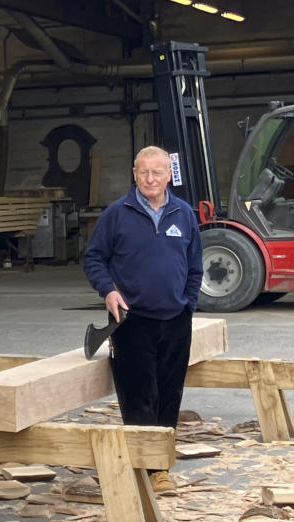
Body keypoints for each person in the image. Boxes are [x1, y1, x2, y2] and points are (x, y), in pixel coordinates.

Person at [83, 146, 203, 493]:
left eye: (158, 172)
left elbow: (195, 265)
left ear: (169, 175)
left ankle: (159, 467)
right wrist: (108, 291)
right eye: (144, 172)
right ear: (134, 174)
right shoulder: (117, 214)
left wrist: (188, 304)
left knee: (169, 393)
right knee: (139, 395)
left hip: (176, 319)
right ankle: (143, 466)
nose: (150, 179)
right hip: (131, 320)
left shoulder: (183, 214)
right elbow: (94, 259)